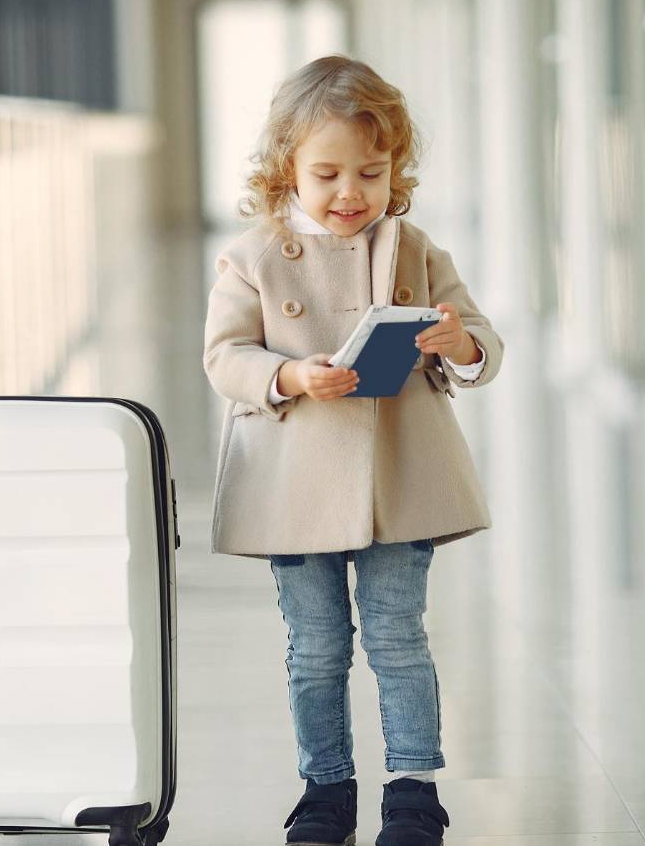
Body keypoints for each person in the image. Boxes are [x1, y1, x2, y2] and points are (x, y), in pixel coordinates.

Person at [201, 55, 503, 846]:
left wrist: (458, 342)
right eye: (327, 173)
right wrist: (290, 373)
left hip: (398, 478)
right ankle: (325, 788)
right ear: (285, 171)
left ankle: (413, 791)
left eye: (370, 172)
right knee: (316, 647)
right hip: (293, 482)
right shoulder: (253, 257)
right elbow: (223, 358)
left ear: (395, 169)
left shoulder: (415, 249)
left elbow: (484, 341)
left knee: (399, 635)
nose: (350, 194)